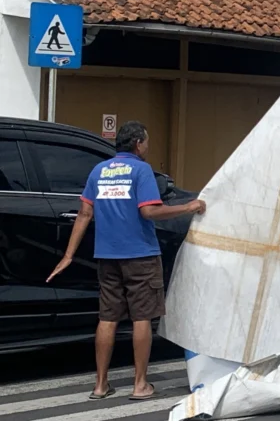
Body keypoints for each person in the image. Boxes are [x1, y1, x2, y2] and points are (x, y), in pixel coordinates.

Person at [47, 121, 205, 401]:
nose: (148, 146)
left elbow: (84, 214)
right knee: (141, 317)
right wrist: (188, 207)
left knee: (107, 318)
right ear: (138, 144)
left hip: (107, 257)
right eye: (146, 141)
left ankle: (100, 385)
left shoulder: (99, 170)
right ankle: (140, 384)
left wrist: (68, 256)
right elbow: (149, 212)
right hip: (140, 255)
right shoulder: (141, 170)